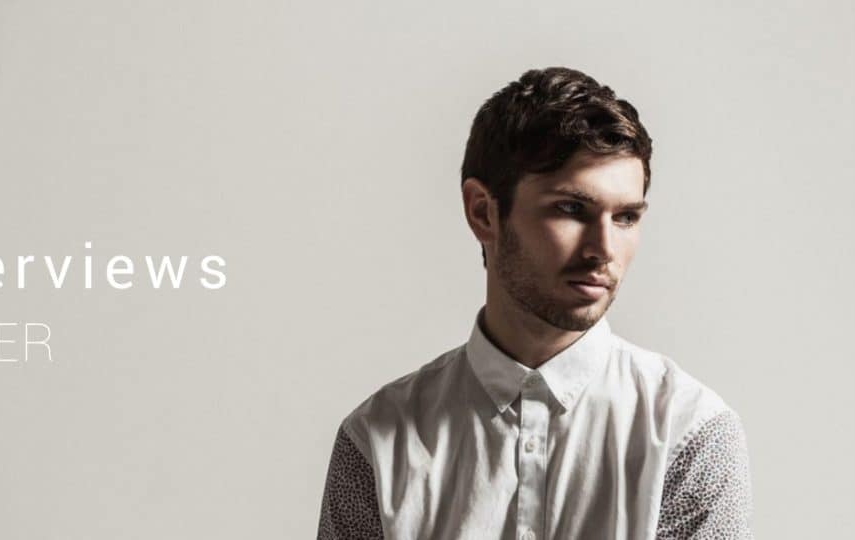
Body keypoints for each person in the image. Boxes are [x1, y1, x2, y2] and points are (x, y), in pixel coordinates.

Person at [316, 67, 754, 540]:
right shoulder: (377, 442)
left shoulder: (689, 432)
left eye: (626, 217)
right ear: (483, 211)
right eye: (571, 209)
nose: (603, 249)